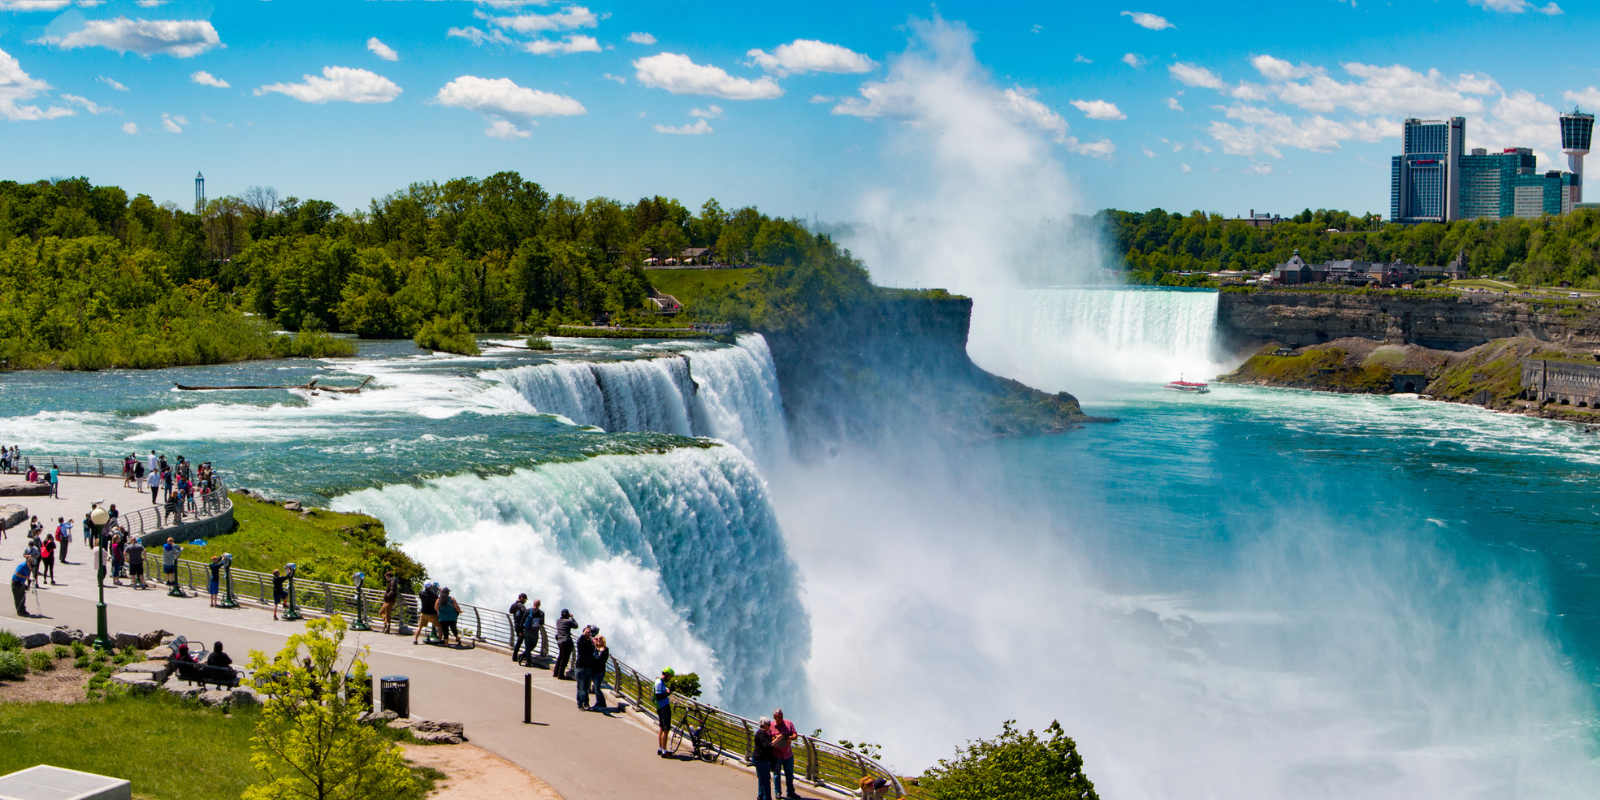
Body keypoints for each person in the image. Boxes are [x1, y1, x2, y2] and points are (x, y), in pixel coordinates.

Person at [771, 708, 800, 799]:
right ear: (774, 717)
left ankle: (790, 792)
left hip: (788, 754)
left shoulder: (788, 723)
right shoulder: (771, 725)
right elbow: (768, 738)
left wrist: (790, 738)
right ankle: (778, 792)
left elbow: (795, 734)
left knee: (789, 774)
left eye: (781, 717)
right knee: (776, 774)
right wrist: (775, 738)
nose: (780, 719)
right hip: (777, 755)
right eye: (778, 718)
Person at [752, 717, 776, 800]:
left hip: (759, 758)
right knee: (766, 780)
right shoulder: (761, 734)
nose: (769, 726)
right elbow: (767, 745)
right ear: (764, 725)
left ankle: (760, 795)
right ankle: (767, 798)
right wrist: (777, 739)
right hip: (761, 759)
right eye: (769, 725)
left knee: (761, 778)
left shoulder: (762, 733)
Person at [654, 668, 675, 757]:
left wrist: (667, 690)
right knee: (666, 729)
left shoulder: (660, 682)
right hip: (662, 706)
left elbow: (662, 693)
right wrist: (669, 692)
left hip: (662, 706)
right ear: (666, 674)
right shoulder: (659, 682)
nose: (670, 678)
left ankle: (660, 748)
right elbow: (659, 696)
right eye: (670, 676)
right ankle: (664, 751)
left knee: (662, 727)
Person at [575, 625, 596, 710]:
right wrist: (584, 634)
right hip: (580, 667)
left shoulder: (591, 643)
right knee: (580, 687)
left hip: (589, 667)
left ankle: (586, 702)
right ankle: (580, 704)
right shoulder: (581, 642)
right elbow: (580, 641)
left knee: (587, 688)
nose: (588, 634)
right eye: (587, 632)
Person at [552, 609, 578, 679]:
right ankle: (561, 675)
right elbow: (576, 626)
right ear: (567, 615)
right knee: (565, 659)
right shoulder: (568, 621)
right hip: (566, 641)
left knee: (560, 657)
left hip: (560, 641)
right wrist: (572, 618)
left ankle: (555, 672)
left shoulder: (558, 621)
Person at [520, 599, 545, 665]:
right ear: (539, 605)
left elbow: (522, 620)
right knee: (533, 645)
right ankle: (524, 656)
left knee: (527, 646)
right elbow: (542, 622)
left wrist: (520, 630)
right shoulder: (541, 613)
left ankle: (528, 660)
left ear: (533, 604)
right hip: (534, 632)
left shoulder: (528, 611)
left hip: (526, 631)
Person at [589, 635, 609, 711]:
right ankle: (598, 702)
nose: (598, 640)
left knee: (597, 688)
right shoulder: (595, 649)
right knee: (595, 687)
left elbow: (601, 660)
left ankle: (602, 703)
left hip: (600, 671)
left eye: (600, 639)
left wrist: (600, 652)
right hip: (594, 670)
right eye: (597, 639)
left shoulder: (605, 650)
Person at [509, 593, 529, 661]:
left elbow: (511, 611)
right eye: (525, 599)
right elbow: (525, 613)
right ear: (522, 598)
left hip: (516, 625)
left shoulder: (514, 605)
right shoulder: (521, 605)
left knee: (519, 640)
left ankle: (516, 655)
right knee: (521, 640)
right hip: (521, 626)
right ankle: (516, 656)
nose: (525, 601)